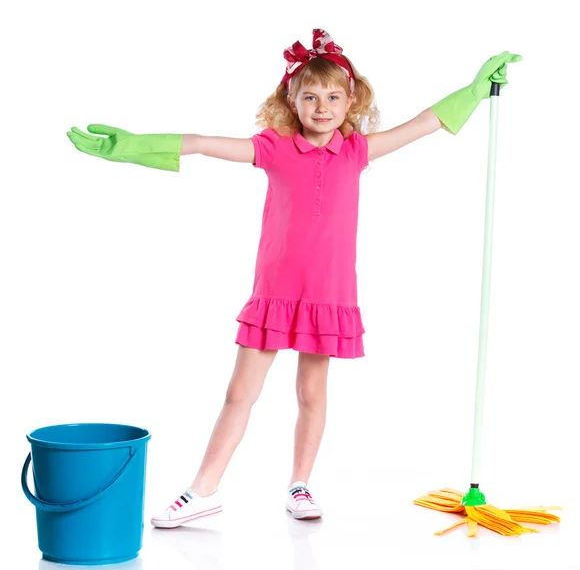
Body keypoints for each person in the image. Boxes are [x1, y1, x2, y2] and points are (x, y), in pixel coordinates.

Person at [66, 29, 521, 527]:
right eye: (310, 96)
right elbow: (200, 143)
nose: (322, 107)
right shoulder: (275, 148)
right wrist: (130, 146)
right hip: (276, 295)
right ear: (292, 100)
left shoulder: (357, 152)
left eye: (332, 96)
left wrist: (476, 89)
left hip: (327, 296)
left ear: (351, 100)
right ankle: (203, 490)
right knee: (240, 393)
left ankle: (299, 484)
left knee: (312, 393)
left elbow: (426, 122)